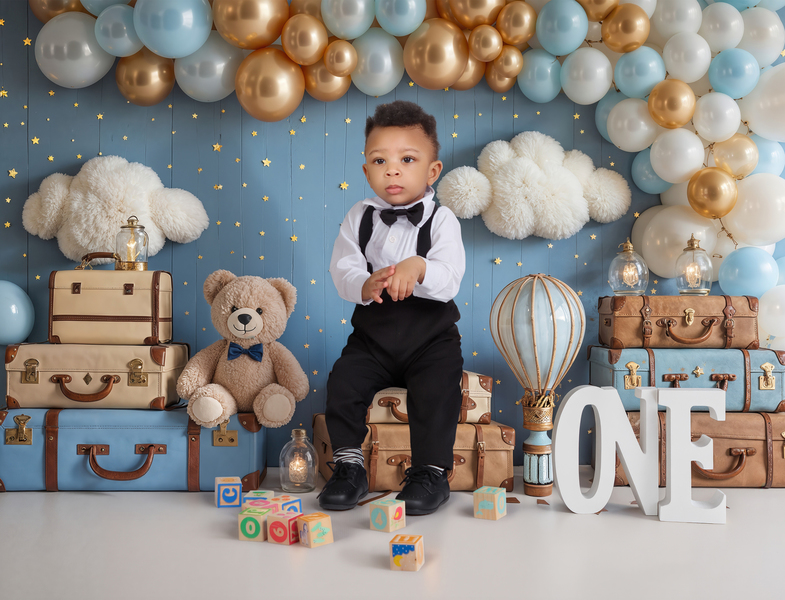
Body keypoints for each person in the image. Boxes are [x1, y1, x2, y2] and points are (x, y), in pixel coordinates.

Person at [319, 100, 466, 516]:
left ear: (432, 171)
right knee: (343, 382)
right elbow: (342, 267)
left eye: (407, 159)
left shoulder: (442, 220)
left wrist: (418, 267)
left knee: (438, 390)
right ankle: (349, 466)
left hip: (431, 339)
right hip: (373, 338)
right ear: (366, 170)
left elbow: (450, 276)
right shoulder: (359, 216)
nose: (392, 171)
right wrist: (363, 283)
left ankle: (430, 472)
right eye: (380, 160)